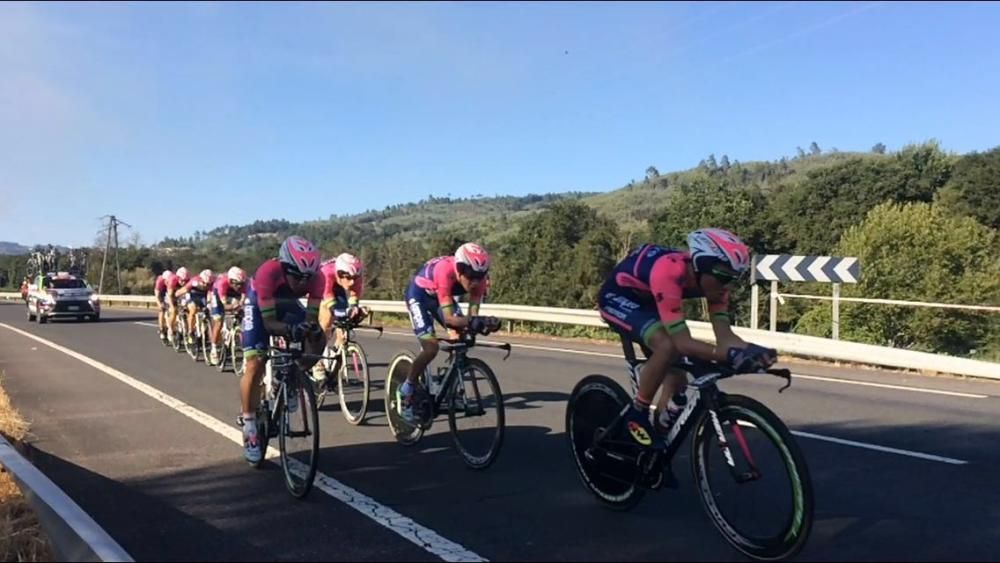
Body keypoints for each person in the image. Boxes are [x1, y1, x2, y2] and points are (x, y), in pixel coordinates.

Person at [597, 228, 776, 450]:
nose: (728, 286)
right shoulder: (669, 271)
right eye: (723, 278)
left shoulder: (716, 283)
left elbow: (726, 337)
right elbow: (682, 342)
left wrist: (755, 351)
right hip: (618, 297)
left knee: (677, 379)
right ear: (701, 266)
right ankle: (638, 412)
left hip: (652, 299)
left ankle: (657, 449)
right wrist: (728, 355)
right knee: (668, 346)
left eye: (734, 279)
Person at [240, 236, 326, 464]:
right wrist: (291, 329)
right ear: (285, 266)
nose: (301, 283)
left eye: (307, 278)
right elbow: (269, 325)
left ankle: (288, 378)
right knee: (255, 362)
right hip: (259, 304)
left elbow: (311, 320)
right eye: (297, 276)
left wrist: (310, 333)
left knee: (317, 339)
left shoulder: (318, 279)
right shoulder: (268, 272)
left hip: (287, 303)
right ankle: (249, 428)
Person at [397, 242, 500, 424]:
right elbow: (450, 318)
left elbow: (471, 318)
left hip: (440, 297)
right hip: (419, 295)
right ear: (460, 271)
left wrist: (482, 323)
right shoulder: (444, 271)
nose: (475, 281)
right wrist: (473, 321)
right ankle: (407, 389)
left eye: (480, 276)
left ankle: (448, 385)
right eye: (471, 276)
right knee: (431, 348)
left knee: (462, 336)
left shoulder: (479, 280)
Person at [313, 253, 368, 383]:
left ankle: (336, 353)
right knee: (327, 320)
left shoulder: (355, 276)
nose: (352, 282)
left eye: (354, 278)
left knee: (344, 329)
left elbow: (354, 295)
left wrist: (354, 309)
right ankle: (316, 361)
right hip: (320, 285)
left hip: (337, 288)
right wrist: (335, 311)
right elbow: (328, 298)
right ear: (340, 274)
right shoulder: (326, 272)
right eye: (348, 278)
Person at [208, 267, 247, 365]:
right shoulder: (222, 283)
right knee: (218, 320)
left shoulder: (245, 283)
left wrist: (241, 304)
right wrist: (233, 306)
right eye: (236, 284)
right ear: (230, 281)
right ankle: (214, 349)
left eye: (241, 284)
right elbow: (224, 305)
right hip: (218, 296)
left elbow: (244, 298)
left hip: (234, 295)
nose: (238, 286)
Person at [174, 269, 214, 348]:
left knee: (209, 311)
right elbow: (185, 289)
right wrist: (176, 294)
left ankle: (206, 330)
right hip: (192, 295)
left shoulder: (213, 282)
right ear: (200, 279)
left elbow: (210, 295)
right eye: (203, 283)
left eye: (208, 284)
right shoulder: (194, 281)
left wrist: (209, 304)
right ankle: (190, 332)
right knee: (193, 309)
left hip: (204, 296)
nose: (205, 285)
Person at [165, 267, 190, 346]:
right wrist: (172, 306)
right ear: (178, 278)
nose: (183, 282)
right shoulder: (173, 280)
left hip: (181, 294)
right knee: (174, 311)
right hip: (171, 294)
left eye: (185, 281)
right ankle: (170, 329)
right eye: (182, 280)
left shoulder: (189, 280)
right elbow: (170, 295)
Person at [154, 270, 173, 342]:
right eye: (167, 281)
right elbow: (157, 296)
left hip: (169, 290)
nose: (168, 282)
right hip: (161, 292)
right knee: (162, 310)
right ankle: (161, 328)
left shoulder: (172, 280)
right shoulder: (159, 281)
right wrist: (160, 304)